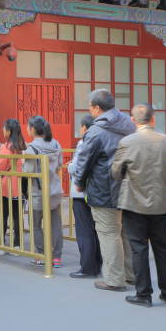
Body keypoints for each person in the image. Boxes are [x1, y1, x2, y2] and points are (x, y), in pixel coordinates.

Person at [111, 104, 166, 307]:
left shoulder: (127, 142)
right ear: (153, 119)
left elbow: (115, 172)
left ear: (133, 120)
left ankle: (143, 293)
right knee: (162, 248)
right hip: (160, 201)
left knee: (139, 248)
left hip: (134, 201)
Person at [74, 89, 136, 291]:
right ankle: (131, 274)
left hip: (104, 187)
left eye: (90, 107)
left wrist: (80, 182)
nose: (90, 111)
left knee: (109, 232)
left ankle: (114, 279)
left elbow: (84, 161)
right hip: (128, 184)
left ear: (97, 108)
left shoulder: (96, 131)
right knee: (126, 231)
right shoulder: (128, 123)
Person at [23, 116, 64, 268]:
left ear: (32, 130)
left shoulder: (31, 149)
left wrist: (22, 162)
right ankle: (57, 257)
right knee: (55, 224)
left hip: (37, 192)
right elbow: (59, 164)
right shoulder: (56, 143)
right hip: (55, 190)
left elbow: (28, 171)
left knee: (35, 225)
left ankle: (41, 255)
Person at [68, 114, 102, 278]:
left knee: (84, 231)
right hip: (96, 191)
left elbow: (77, 167)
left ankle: (87, 267)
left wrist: (69, 166)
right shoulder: (101, 140)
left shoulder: (84, 143)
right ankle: (97, 263)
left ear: (84, 128)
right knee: (95, 230)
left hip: (81, 192)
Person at [0, 119, 26, 255]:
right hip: (20, 184)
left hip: (7, 184)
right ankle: (17, 245)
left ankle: (0, 245)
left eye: (4, 128)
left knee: (1, 214)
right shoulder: (23, 146)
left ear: (9, 131)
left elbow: (1, 165)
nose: (2, 130)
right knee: (17, 216)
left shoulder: (5, 147)